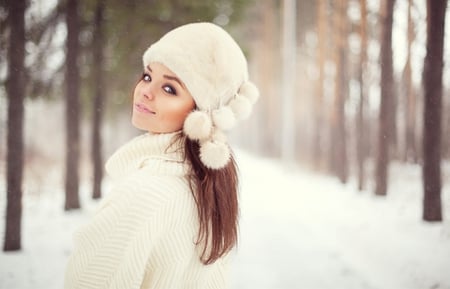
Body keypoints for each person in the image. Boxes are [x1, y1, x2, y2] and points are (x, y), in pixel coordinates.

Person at [64, 22, 259, 289]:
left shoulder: (144, 193)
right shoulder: (210, 189)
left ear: (201, 112)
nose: (146, 91)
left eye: (170, 89)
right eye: (147, 76)